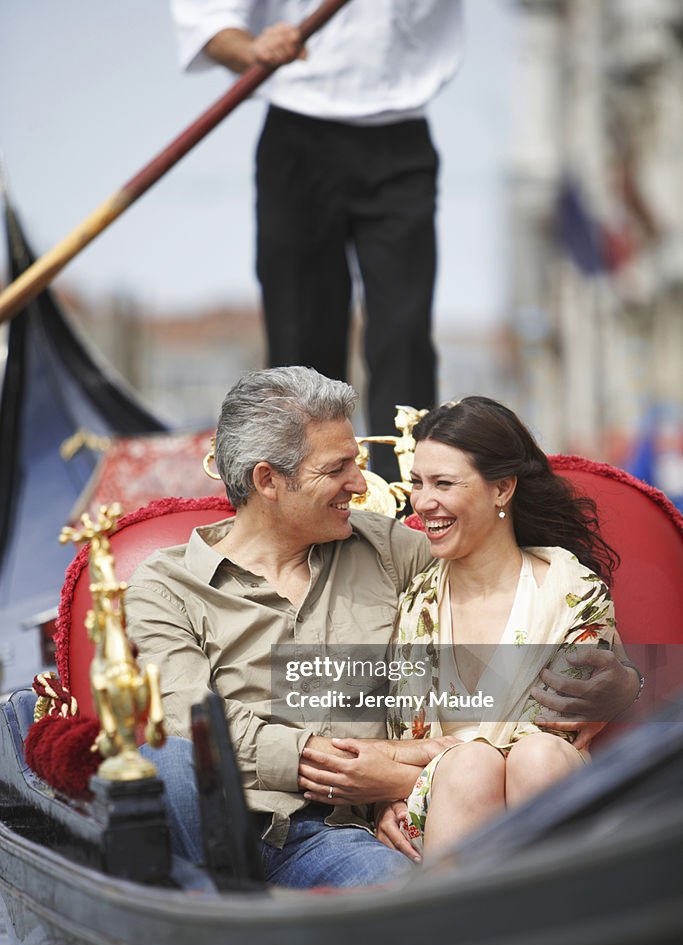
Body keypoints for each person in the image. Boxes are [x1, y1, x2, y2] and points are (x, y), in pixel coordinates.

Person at [126, 370, 641, 885]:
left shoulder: (385, 549)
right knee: (170, 757)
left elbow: (513, 589)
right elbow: (185, 718)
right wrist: (330, 758)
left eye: (357, 461)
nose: (361, 482)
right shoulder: (165, 583)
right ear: (268, 482)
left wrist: (626, 684)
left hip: (332, 834)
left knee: (395, 892)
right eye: (338, 468)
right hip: (213, 821)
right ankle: (205, 912)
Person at [169, 0, 464, 479]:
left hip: (401, 134)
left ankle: (407, 504)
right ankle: (304, 496)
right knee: (300, 343)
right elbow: (210, 21)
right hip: (297, 135)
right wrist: (252, 48)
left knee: (404, 338)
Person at [334, 396, 622, 859]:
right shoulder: (416, 599)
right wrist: (400, 786)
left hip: (542, 794)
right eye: (417, 483)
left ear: (502, 489)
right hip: (435, 811)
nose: (422, 503)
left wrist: (396, 765)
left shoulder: (573, 591)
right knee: (471, 767)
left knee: (536, 756)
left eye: (443, 483)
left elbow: (551, 732)